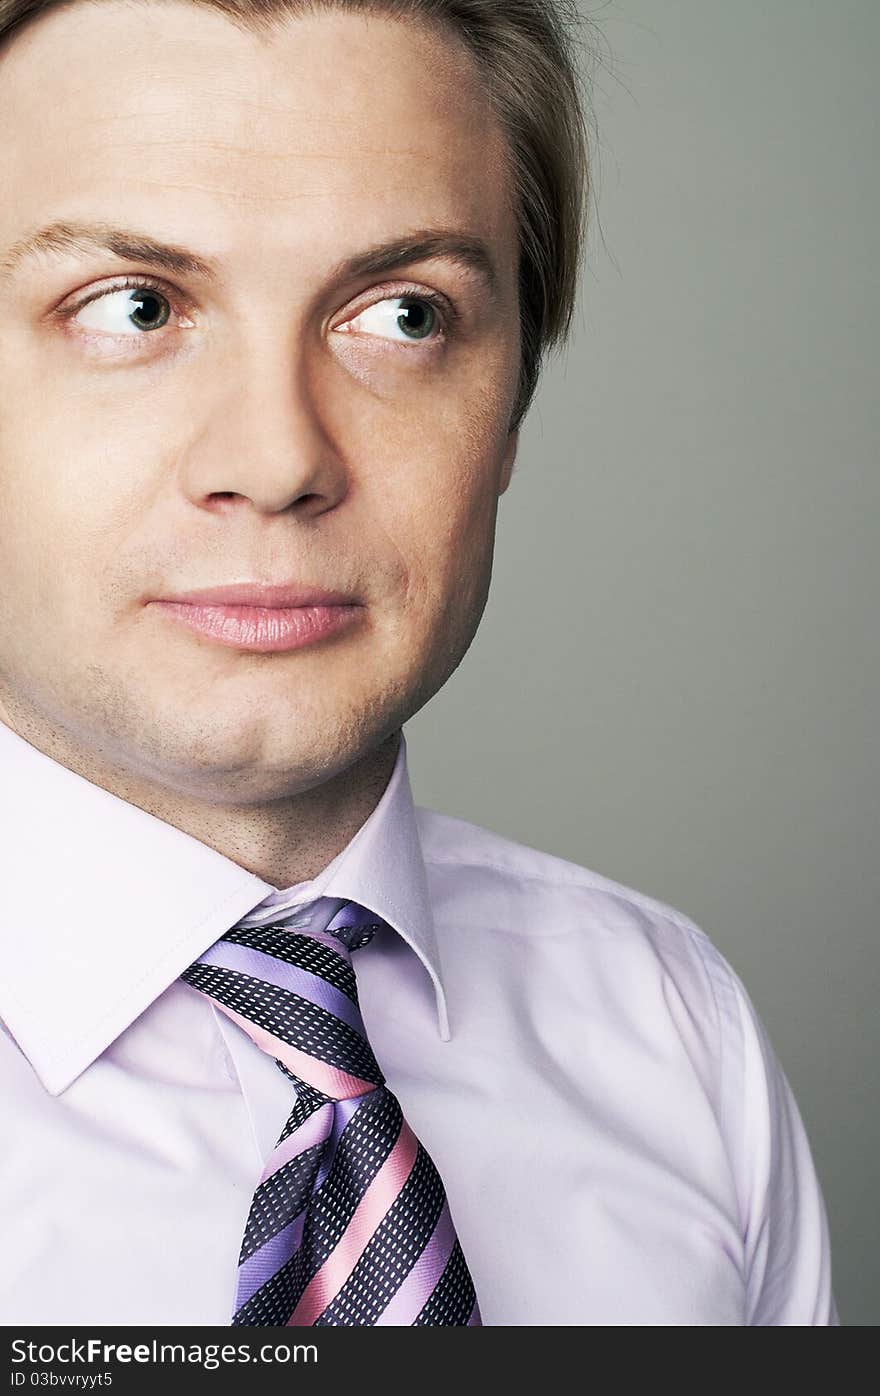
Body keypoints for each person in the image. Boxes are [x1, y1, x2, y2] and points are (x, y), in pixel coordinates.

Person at [0, 0, 839, 1327]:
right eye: (135, 306)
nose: (278, 460)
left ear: (510, 406)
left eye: (402, 315)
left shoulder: (674, 1035)